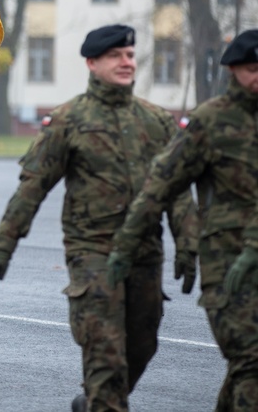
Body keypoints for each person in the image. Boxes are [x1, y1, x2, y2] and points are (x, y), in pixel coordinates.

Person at [0, 24, 198, 412]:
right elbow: (32, 188)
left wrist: (188, 242)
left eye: (130, 55)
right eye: (116, 55)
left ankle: (97, 398)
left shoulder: (157, 121)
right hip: (92, 254)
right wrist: (3, 245)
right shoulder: (69, 120)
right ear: (92, 63)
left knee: (143, 343)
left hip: (145, 253)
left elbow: (177, 189)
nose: (126, 62)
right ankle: (103, 398)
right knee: (105, 356)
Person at [107, 29, 258, 412]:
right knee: (251, 361)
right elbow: (160, 188)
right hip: (229, 265)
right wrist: (126, 247)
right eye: (253, 68)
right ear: (234, 70)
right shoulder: (211, 122)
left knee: (248, 369)